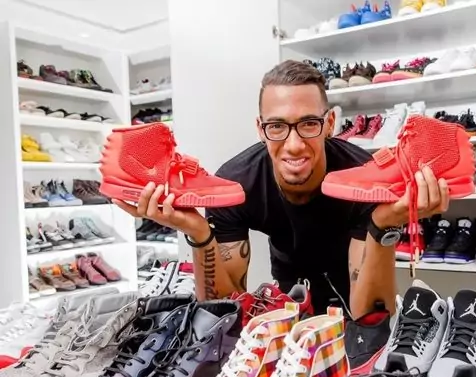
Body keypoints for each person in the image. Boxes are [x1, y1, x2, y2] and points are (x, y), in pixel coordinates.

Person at [115, 60, 449, 317]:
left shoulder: (364, 175)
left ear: (330, 124)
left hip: (354, 286)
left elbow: (370, 314)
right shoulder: (235, 183)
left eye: (308, 124)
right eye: (277, 126)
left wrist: (383, 223)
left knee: (365, 343)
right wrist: (199, 233)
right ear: (261, 128)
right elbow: (223, 309)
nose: (293, 145)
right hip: (289, 286)